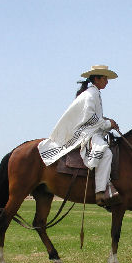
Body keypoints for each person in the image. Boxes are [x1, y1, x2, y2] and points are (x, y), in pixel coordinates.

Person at [38, 65, 120, 206]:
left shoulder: (94, 93)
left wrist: (107, 121)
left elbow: (94, 116)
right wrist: (107, 124)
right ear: (96, 79)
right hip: (86, 133)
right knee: (106, 153)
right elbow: (89, 117)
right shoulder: (91, 94)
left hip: (92, 130)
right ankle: (101, 192)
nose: (107, 81)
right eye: (105, 78)